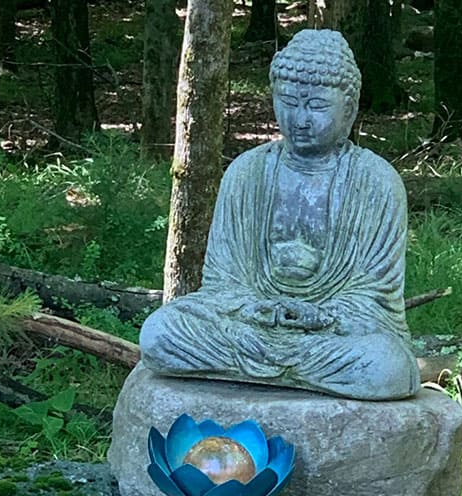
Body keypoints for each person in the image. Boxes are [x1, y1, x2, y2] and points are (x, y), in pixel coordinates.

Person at [140, 29, 420, 401]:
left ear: (349, 108)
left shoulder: (376, 182)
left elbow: (376, 296)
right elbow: (223, 283)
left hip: (331, 333)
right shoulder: (246, 172)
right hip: (251, 327)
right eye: (288, 102)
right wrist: (254, 308)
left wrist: (320, 317)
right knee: (160, 333)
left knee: (388, 366)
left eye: (317, 106)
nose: (300, 119)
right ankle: (288, 372)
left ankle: (262, 371)